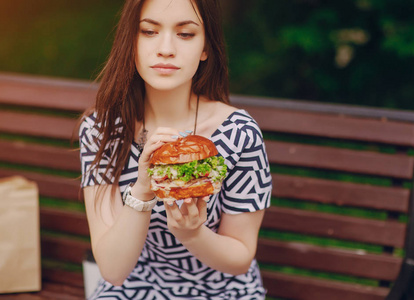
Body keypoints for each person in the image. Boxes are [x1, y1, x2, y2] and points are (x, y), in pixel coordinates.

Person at [79, 0, 272, 298]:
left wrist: (192, 234)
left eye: (185, 34)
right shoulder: (102, 130)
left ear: (206, 47)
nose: (166, 48)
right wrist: (143, 189)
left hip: (221, 290)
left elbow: (240, 258)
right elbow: (113, 270)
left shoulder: (239, 134)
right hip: (132, 287)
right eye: (149, 31)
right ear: (131, 40)